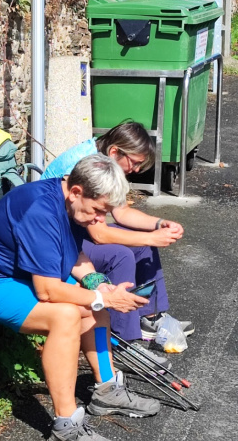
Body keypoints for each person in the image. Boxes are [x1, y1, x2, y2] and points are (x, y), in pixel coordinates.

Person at [0, 154, 160, 441]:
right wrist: (103, 297)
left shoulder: (69, 202)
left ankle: (106, 391)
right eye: (97, 211)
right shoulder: (41, 210)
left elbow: (74, 258)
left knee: (92, 297)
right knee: (64, 314)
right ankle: (66, 429)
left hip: (13, 274)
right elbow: (48, 291)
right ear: (76, 191)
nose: (98, 221)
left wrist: (98, 285)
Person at [41, 122, 194, 356]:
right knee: (120, 254)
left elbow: (121, 212)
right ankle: (123, 341)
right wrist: (151, 238)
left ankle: (150, 317)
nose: (136, 169)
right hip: (56, 240)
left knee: (142, 244)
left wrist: (157, 224)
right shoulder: (87, 167)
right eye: (135, 162)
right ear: (115, 152)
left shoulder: (106, 162)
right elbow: (99, 234)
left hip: (75, 230)